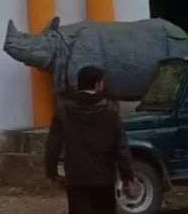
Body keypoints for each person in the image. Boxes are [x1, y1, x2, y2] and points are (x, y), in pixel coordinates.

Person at [45, 65, 136, 214]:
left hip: (76, 177)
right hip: (104, 178)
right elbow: (121, 148)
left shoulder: (63, 112)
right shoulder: (110, 113)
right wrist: (127, 177)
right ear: (97, 84)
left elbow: (53, 145)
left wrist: (52, 172)